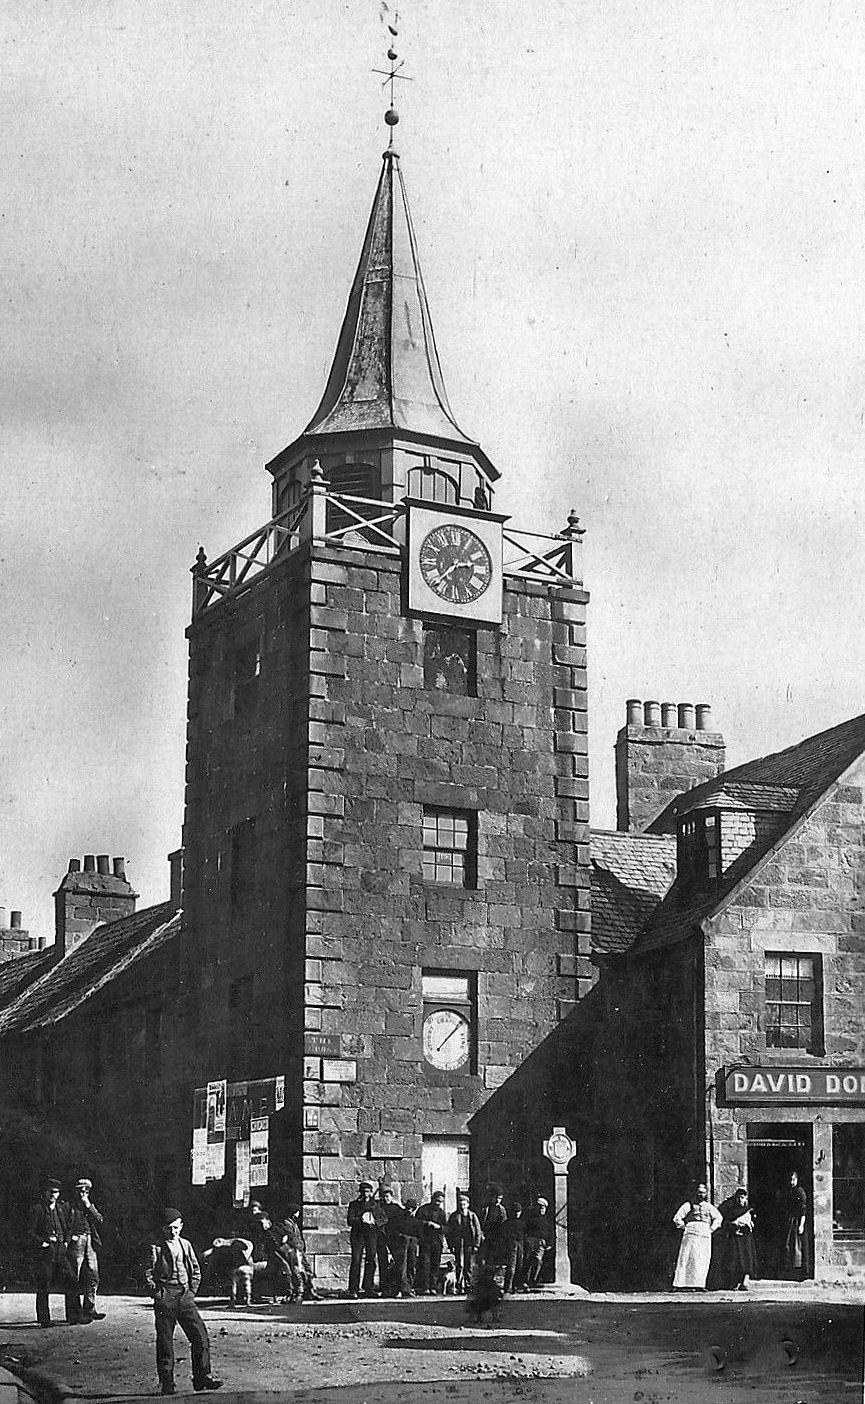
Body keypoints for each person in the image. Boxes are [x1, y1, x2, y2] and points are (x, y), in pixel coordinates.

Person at [143, 1207, 223, 1396]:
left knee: (200, 1336)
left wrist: (192, 1290)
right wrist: (157, 1293)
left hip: (185, 1295)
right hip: (166, 1296)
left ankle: (202, 1377)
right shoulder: (155, 1247)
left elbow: (195, 1268)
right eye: (169, 1228)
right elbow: (146, 1272)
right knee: (165, 1342)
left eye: (177, 1227)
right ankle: (167, 1382)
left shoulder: (185, 1244)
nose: (173, 1232)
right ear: (163, 1228)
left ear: (181, 1226)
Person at [28, 1179, 78, 1327]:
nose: (53, 1195)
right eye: (50, 1192)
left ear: (58, 1194)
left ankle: (73, 1316)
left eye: (55, 1192)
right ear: (45, 1193)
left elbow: (67, 1228)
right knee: (44, 1284)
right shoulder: (37, 1209)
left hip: (60, 1251)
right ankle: (44, 1319)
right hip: (46, 1252)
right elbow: (29, 1232)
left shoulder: (61, 1209)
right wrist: (41, 1242)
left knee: (72, 1280)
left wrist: (66, 1241)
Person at [67, 1178, 106, 1322]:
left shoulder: (90, 1205)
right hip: (76, 1241)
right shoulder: (69, 1205)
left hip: (90, 1240)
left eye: (85, 1190)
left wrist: (88, 1205)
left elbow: (100, 1220)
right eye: (80, 1190)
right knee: (73, 1276)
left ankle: (90, 1309)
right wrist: (71, 1237)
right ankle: (74, 1314)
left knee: (93, 1274)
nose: (82, 1193)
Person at [672, 1182, 723, 1290]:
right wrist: (684, 1227)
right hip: (691, 1232)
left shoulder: (709, 1207)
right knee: (687, 1257)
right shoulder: (688, 1205)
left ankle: (699, 1284)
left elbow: (718, 1218)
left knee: (702, 1258)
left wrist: (711, 1229)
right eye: (699, 1192)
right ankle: (682, 1284)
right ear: (695, 1193)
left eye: (703, 1193)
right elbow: (677, 1218)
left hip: (704, 1233)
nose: (701, 1195)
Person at [346, 1180, 385, 1298]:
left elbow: (384, 1219)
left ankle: (368, 1288)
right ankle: (353, 1289)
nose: (366, 1194)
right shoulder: (354, 1205)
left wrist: (374, 1222)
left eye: (368, 1192)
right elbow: (350, 1220)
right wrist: (361, 1220)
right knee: (356, 1261)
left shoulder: (375, 1205)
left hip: (371, 1235)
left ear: (371, 1192)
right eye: (363, 1192)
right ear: (360, 1193)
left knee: (371, 1260)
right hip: (358, 1235)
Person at [277, 1205, 320, 1301]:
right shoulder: (286, 1224)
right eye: (297, 1211)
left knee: (308, 1270)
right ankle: (299, 1293)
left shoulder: (293, 1224)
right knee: (298, 1272)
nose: (298, 1213)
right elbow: (292, 1239)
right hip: (294, 1252)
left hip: (300, 1251)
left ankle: (310, 1291)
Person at [718, 1187, 757, 1290]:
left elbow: (752, 1223)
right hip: (735, 1237)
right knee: (735, 1259)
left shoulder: (748, 1210)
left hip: (746, 1237)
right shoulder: (732, 1210)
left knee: (747, 1258)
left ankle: (745, 1281)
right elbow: (726, 1222)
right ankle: (735, 1282)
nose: (740, 1200)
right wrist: (733, 1225)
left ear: (746, 1198)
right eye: (738, 1197)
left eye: (742, 1197)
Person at [446, 1192, 484, 1293]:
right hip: (459, 1243)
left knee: (469, 1265)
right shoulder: (454, 1216)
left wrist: (476, 1244)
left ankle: (468, 1285)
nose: (462, 1206)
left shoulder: (472, 1216)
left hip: (469, 1243)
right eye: (461, 1204)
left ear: (468, 1204)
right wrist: (451, 1245)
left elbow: (478, 1231)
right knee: (459, 1264)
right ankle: (459, 1286)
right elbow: (449, 1232)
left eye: (464, 1204)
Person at [415, 1191, 448, 1294]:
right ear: (432, 1199)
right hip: (425, 1241)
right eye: (437, 1201)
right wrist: (426, 1224)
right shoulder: (423, 1210)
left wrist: (439, 1227)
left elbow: (446, 1228)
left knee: (435, 1264)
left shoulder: (441, 1212)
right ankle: (425, 1287)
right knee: (425, 1264)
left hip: (437, 1242)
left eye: (440, 1202)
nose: (438, 1203)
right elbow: (416, 1223)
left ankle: (433, 1287)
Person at [387, 1197, 420, 1298]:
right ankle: (400, 1289)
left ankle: (408, 1288)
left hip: (412, 1244)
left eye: (411, 1208)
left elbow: (419, 1232)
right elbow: (393, 1229)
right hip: (401, 1243)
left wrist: (415, 1239)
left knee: (412, 1265)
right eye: (408, 1207)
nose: (409, 1210)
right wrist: (401, 1236)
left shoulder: (416, 1219)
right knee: (401, 1266)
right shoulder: (399, 1217)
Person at [780, 1170, 808, 1280]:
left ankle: (801, 1272)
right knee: (789, 1245)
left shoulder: (800, 1192)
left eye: (793, 1180)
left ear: (797, 1180)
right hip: (790, 1222)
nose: (791, 1182)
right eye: (790, 1180)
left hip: (798, 1222)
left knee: (798, 1246)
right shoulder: (789, 1192)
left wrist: (801, 1225)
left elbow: (803, 1210)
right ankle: (790, 1271)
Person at [522, 1195, 553, 1290]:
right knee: (528, 1260)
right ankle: (525, 1281)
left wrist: (550, 1243)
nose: (541, 1210)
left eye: (543, 1208)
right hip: (531, 1241)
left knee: (538, 1261)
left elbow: (550, 1232)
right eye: (539, 1208)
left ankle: (534, 1281)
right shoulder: (531, 1218)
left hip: (541, 1243)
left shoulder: (547, 1220)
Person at [376, 1186, 400, 1296]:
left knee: (397, 1259)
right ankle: (384, 1286)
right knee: (383, 1261)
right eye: (384, 1197)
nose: (386, 1199)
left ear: (392, 1197)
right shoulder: (379, 1207)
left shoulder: (396, 1207)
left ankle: (395, 1285)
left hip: (393, 1237)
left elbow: (403, 1218)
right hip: (381, 1236)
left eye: (388, 1196)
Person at [478, 1185, 507, 1265]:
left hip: (497, 1237)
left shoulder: (502, 1210)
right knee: (486, 1258)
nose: (498, 1200)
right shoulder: (485, 1209)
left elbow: (504, 1224)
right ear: (492, 1197)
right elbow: (480, 1223)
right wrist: (481, 1234)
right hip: (487, 1236)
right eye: (496, 1197)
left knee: (496, 1258)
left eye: (500, 1198)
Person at [500, 1201, 525, 1293]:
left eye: (518, 1211)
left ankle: (516, 1286)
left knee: (519, 1266)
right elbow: (503, 1236)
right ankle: (507, 1287)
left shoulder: (523, 1223)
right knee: (511, 1267)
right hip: (511, 1245)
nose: (517, 1213)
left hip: (520, 1245)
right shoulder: (507, 1223)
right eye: (515, 1211)